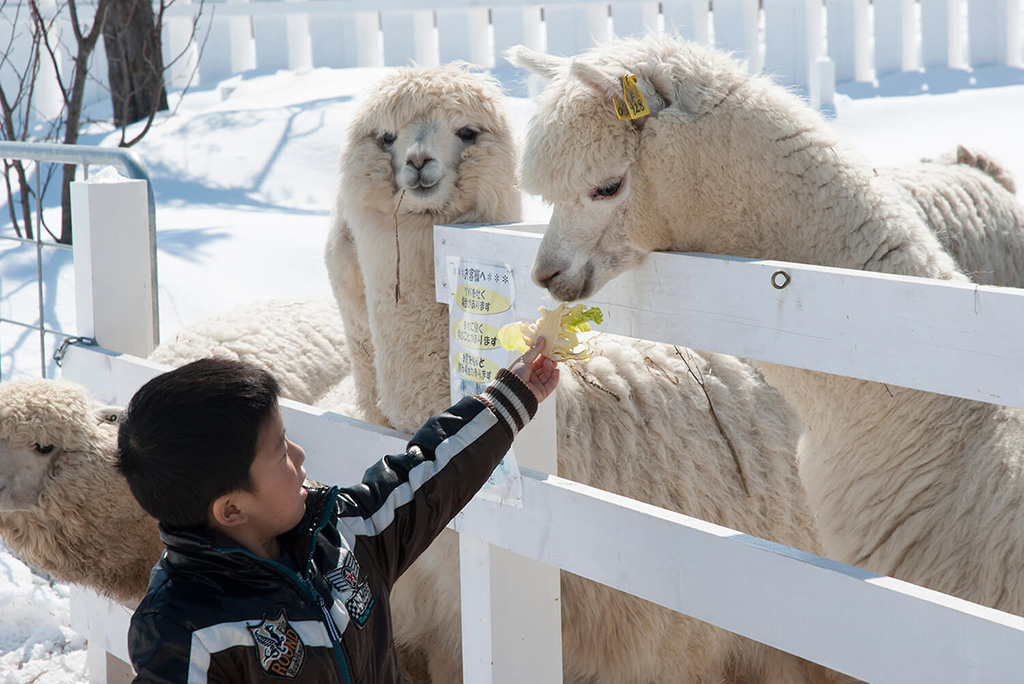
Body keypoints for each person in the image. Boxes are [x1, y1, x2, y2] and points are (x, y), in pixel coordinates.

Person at [116, 338, 558, 684]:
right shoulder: (183, 631)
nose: (300, 454)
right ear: (232, 509)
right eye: (279, 452)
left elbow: (426, 476)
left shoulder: (343, 532)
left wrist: (505, 401)